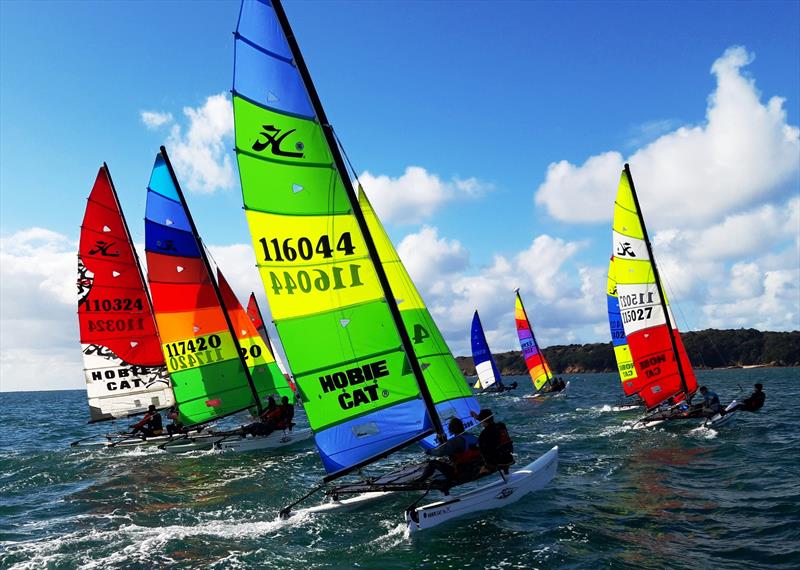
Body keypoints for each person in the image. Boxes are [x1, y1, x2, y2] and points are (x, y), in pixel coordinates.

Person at [418, 417, 482, 484]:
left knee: (433, 463)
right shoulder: (472, 436)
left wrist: (429, 451)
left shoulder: (456, 440)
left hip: (463, 473)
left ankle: (420, 481)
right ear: (462, 426)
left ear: (450, 429)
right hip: (477, 468)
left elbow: (440, 452)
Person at [473, 409, 514, 474]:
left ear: (483, 420)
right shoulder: (501, 426)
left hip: (496, 463)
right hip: (509, 457)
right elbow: (491, 427)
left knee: (477, 469)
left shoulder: (483, 434)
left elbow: (483, 453)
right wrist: (478, 418)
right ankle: (507, 473)